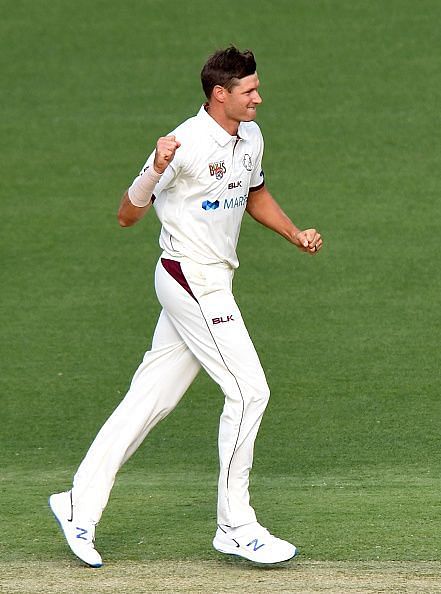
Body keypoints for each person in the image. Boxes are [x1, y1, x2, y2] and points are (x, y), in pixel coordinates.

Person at [49, 46, 323, 568]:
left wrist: (294, 234)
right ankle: (235, 525)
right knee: (249, 392)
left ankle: (77, 503)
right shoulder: (184, 145)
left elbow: (253, 193)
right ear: (220, 94)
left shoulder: (250, 137)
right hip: (189, 277)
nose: (258, 98)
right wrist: (156, 169)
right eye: (249, 91)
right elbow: (128, 214)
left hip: (213, 278)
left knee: (149, 400)